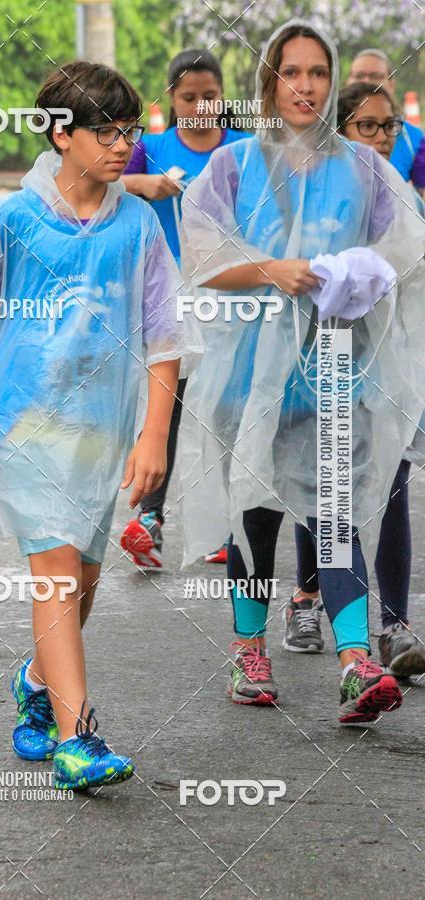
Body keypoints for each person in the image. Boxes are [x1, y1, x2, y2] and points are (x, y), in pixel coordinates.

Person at [0, 61, 200, 789]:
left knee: (81, 580)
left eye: (128, 131)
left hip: (99, 433)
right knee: (52, 571)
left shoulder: (137, 225)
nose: (122, 146)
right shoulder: (13, 221)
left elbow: (166, 336)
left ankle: (39, 683)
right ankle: (80, 741)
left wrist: (151, 434)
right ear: (61, 134)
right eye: (106, 131)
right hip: (22, 425)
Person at [179, 20, 425, 725]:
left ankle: (353, 663)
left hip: (335, 368)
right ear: (270, 80)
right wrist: (272, 270)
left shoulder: (366, 169)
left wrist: (364, 271)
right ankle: (249, 651)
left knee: (337, 512)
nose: (306, 85)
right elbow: (200, 256)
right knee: (255, 512)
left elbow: (406, 248)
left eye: (319, 73)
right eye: (293, 72)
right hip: (251, 374)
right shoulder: (232, 168)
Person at [288, 81, 425, 678]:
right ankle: (307, 599)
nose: (382, 137)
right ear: (338, 131)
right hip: (318, 352)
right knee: (320, 482)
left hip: (380, 353)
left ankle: (394, 624)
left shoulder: (395, 190)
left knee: (392, 475)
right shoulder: (315, 190)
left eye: (389, 125)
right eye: (366, 126)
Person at [119, 49, 249, 569]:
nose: (199, 105)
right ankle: (150, 519)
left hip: (236, 299)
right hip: (171, 300)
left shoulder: (246, 149)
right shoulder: (149, 149)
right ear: (171, 99)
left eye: (209, 96)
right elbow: (98, 185)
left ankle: (234, 524)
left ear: (223, 98)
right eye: (188, 96)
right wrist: (142, 185)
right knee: (166, 408)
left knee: (229, 413)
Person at [347, 48, 425, 196]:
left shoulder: (414, 139)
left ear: (392, 85)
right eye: (359, 75)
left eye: (375, 76)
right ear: (347, 81)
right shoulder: (326, 131)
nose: (366, 82)